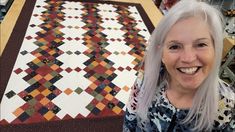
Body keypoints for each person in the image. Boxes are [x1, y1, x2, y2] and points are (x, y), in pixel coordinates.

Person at [123, 0, 235, 131]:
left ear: (215, 49)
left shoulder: (228, 105)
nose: (188, 58)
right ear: (162, 54)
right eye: (175, 46)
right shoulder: (144, 82)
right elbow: (129, 125)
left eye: (200, 45)